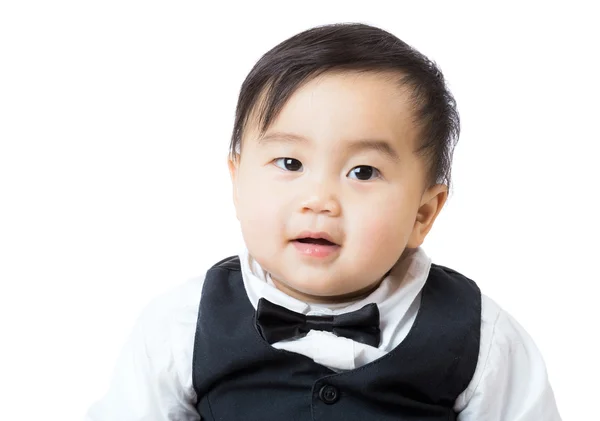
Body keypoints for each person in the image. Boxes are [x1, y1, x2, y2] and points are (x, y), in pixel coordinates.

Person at [85, 22, 561, 420]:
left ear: (423, 213)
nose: (319, 200)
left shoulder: (482, 338)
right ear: (237, 182)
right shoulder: (179, 327)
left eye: (363, 172)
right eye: (290, 163)